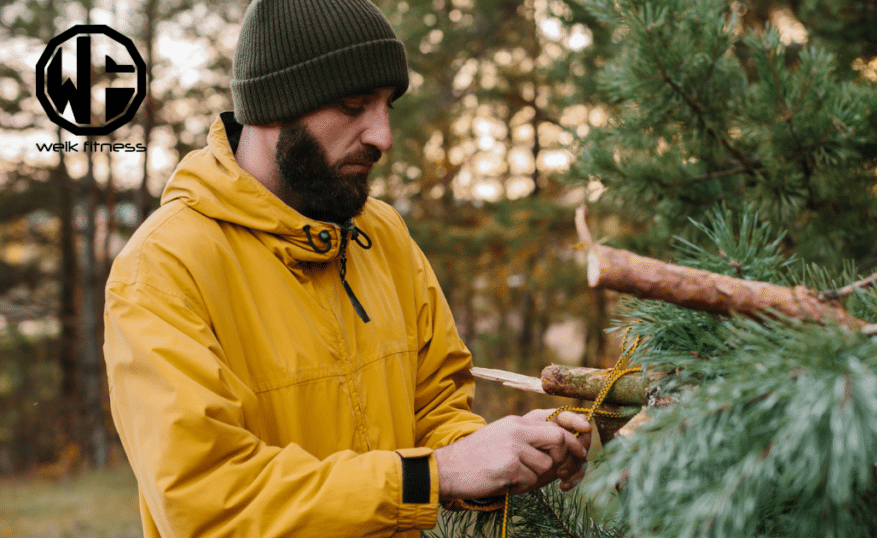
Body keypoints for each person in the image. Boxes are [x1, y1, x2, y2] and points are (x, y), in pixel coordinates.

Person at [102, 0, 591, 536]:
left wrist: (506, 452)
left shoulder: (382, 236)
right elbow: (208, 502)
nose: (381, 136)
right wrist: (438, 475)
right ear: (272, 106)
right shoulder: (162, 269)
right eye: (353, 106)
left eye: (387, 107)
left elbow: (435, 411)